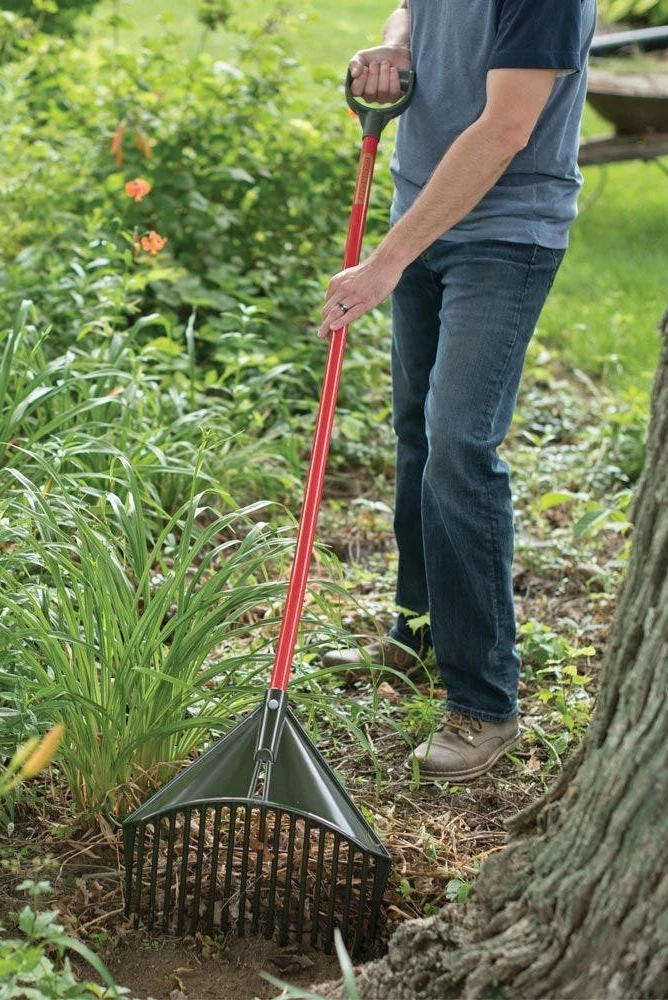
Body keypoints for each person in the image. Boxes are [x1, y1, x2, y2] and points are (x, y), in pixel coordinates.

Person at [319, 0, 597, 782]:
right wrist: (397, 46)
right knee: (417, 434)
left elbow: (506, 129)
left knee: (457, 447)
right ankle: (415, 632)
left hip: (504, 234)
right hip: (422, 217)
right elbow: (415, 8)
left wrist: (385, 262)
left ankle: (484, 701)